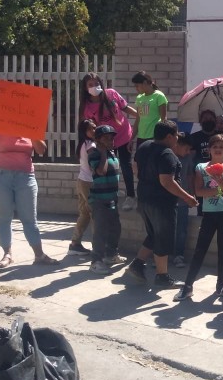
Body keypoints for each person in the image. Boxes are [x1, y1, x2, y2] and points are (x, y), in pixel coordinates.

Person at [0, 121, 58, 267]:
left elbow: (41, 150)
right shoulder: (1, 125)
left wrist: (30, 133)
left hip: (25, 177)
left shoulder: (31, 126)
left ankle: (39, 255)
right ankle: (7, 254)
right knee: (3, 218)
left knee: (29, 219)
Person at [125, 121, 198, 288]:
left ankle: (137, 264)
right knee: (163, 238)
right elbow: (167, 182)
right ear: (169, 136)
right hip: (161, 203)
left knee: (153, 235)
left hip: (144, 199)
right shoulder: (167, 154)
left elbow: (135, 168)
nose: (178, 138)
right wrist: (187, 197)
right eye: (176, 135)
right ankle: (162, 276)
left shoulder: (144, 146)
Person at [174, 134, 223, 302]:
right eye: (215, 147)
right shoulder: (201, 168)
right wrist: (218, 190)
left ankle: (220, 284)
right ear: (209, 150)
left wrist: (220, 182)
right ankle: (188, 286)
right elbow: (199, 192)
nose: (218, 150)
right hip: (209, 214)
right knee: (200, 249)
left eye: (222, 147)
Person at [79, 73, 138, 211]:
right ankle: (113, 192)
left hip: (123, 135)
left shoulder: (111, 94)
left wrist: (140, 116)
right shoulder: (87, 106)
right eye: (90, 85)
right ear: (85, 88)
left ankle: (131, 196)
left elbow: (125, 108)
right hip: (106, 140)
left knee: (125, 164)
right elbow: (90, 127)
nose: (95, 87)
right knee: (110, 165)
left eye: (97, 83)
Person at [86, 125, 125, 275]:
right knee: (100, 232)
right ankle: (96, 261)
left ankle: (111, 255)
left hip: (112, 198)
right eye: (106, 138)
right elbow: (101, 172)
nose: (110, 140)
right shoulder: (94, 154)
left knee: (115, 229)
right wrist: (102, 154)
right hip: (99, 200)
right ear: (97, 140)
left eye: (112, 137)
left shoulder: (112, 153)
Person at [68, 119, 96, 256]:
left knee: (84, 214)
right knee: (95, 214)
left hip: (81, 181)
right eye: (91, 129)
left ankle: (75, 243)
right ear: (84, 131)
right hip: (89, 182)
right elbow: (93, 164)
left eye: (95, 128)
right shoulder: (91, 145)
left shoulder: (82, 144)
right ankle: (98, 247)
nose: (94, 131)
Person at [173, 132, 195, 267]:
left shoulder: (187, 159)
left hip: (183, 200)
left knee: (181, 229)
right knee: (165, 229)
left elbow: (189, 176)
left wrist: (192, 194)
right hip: (168, 200)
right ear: (177, 145)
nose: (187, 152)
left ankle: (178, 255)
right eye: (186, 149)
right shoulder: (168, 156)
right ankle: (161, 255)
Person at [130, 71, 168, 148]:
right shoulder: (139, 98)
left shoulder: (159, 96)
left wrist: (161, 137)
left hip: (154, 137)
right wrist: (131, 139)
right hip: (141, 137)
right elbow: (138, 119)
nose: (136, 88)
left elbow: (164, 119)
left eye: (137, 86)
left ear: (144, 83)